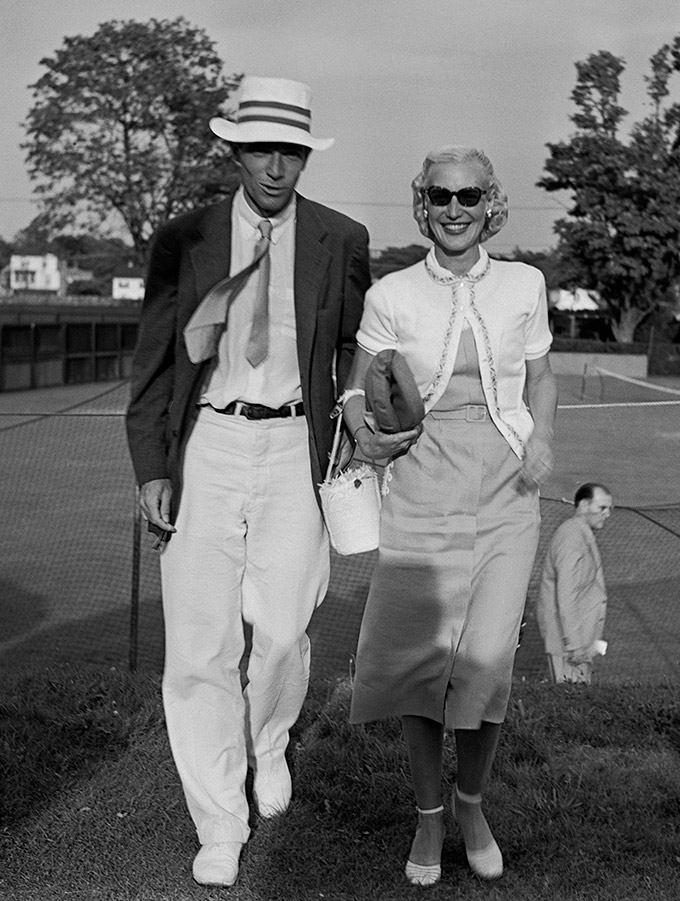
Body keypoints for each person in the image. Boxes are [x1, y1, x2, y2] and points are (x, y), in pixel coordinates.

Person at [125, 76, 370, 888]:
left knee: (282, 632)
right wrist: (154, 467)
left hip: (295, 447)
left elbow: (348, 354)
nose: (276, 165)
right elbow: (155, 365)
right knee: (198, 647)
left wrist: (353, 429)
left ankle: (270, 739)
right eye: (262, 148)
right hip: (207, 447)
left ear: (306, 155)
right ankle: (220, 822)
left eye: (292, 150)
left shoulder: (342, 238)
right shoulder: (182, 240)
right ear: (233, 148)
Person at [343, 146, 557, 886]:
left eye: (470, 196)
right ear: (423, 204)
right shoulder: (392, 294)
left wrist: (545, 440)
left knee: (488, 659)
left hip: (507, 489)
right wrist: (362, 429)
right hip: (422, 482)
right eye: (441, 196)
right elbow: (355, 385)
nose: (456, 208)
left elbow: (541, 375)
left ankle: (472, 801)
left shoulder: (526, 283)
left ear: (491, 202)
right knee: (421, 661)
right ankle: (429, 815)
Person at [537, 483, 612, 684]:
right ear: (584, 505)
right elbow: (566, 595)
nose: (607, 514)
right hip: (570, 646)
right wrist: (575, 645)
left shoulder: (581, 533)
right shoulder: (570, 537)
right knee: (569, 702)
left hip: (580, 641)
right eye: (602, 508)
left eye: (609, 509)